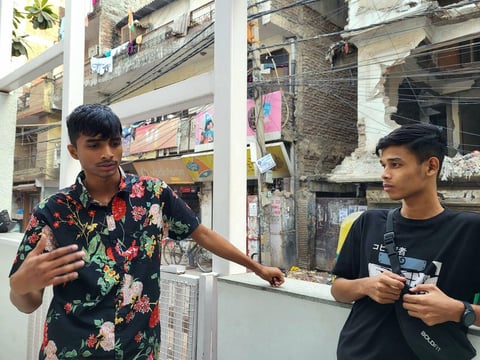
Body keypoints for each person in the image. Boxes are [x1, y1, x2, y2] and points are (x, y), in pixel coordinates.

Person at [9, 103, 284, 360]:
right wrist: (21, 286)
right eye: (94, 145)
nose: (108, 153)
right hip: (71, 349)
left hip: (138, 348)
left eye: (114, 143)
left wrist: (256, 267)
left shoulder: (153, 193)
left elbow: (202, 234)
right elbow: (26, 302)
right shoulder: (53, 211)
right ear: (73, 151)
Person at [331, 123, 480, 359]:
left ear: (431, 166)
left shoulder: (469, 231)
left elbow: (466, 311)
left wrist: (458, 310)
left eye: (396, 164)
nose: (385, 174)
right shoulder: (369, 222)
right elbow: (338, 289)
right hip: (356, 352)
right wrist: (367, 286)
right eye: (384, 165)